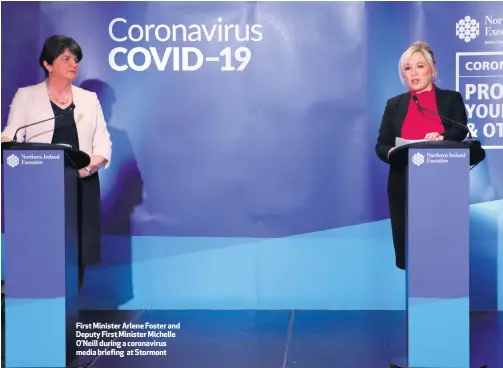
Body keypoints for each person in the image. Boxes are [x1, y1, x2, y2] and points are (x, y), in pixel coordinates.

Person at [1, 35, 112, 290]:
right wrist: (4, 143)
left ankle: (71, 307)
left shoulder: (88, 99)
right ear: (48, 64)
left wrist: (86, 170)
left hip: (80, 184)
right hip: (38, 185)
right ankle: (36, 303)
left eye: (76, 59)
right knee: (38, 246)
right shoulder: (26, 96)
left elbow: (103, 143)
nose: (73, 64)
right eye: (66, 58)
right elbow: (13, 132)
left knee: (76, 249)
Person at [375, 41, 468, 270]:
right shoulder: (394, 105)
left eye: (419, 66)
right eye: (408, 68)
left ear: (432, 69)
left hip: (442, 184)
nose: (413, 73)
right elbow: (381, 144)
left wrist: (442, 136)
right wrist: (392, 152)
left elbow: (460, 129)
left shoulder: (451, 99)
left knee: (443, 256)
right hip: (404, 184)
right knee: (412, 256)